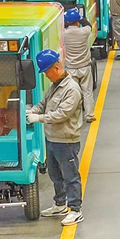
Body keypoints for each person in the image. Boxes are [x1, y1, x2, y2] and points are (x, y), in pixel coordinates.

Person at [26, 48, 85, 226]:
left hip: (66, 141)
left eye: (46, 72)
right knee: (55, 174)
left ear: (56, 67)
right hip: (52, 139)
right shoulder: (55, 86)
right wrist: (32, 110)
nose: (46, 76)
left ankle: (75, 210)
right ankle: (60, 203)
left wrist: (39, 118)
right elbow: (44, 104)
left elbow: (62, 114)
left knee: (70, 176)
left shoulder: (71, 89)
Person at [60, 7, 96, 123]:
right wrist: (80, 18)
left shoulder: (64, 34)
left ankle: (75, 117)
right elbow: (88, 24)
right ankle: (90, 115)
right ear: (77, 21)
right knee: (87, 92)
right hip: (85, 67)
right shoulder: (84, 32)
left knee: (73, 94)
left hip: (71, 69)